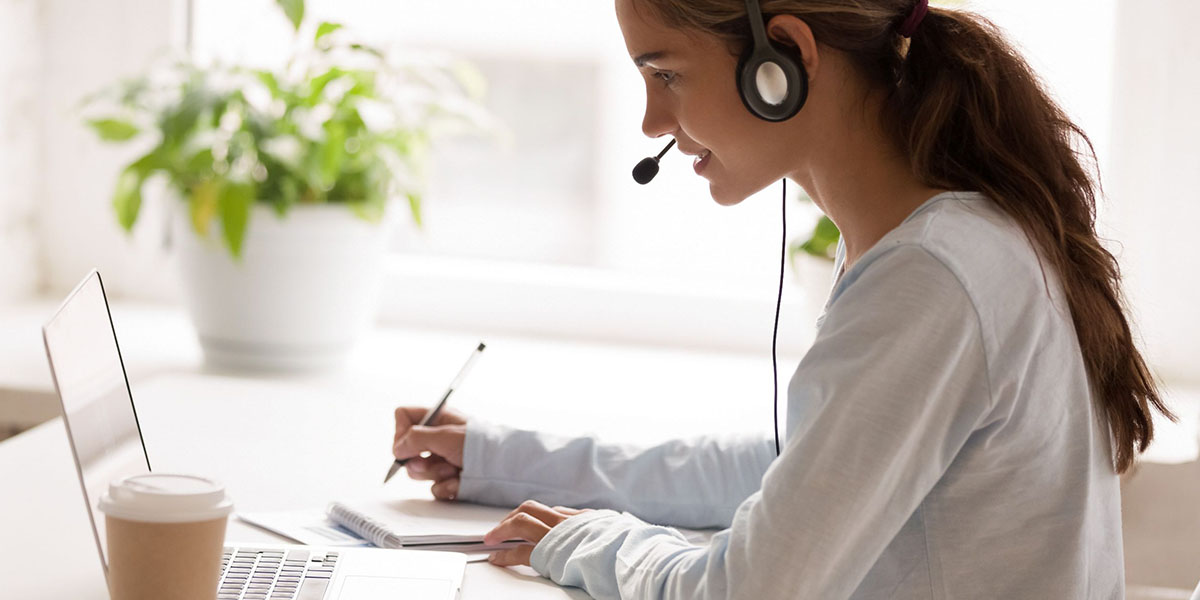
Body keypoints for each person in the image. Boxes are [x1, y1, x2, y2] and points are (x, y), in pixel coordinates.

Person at [392, 0, 1173, 597]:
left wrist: (588, 543)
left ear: (785, 61)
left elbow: (753, 587)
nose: (651, 122)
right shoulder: (935, 238)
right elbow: (797, 468)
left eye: (665, 74)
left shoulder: (934, 275)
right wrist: (510, 460)